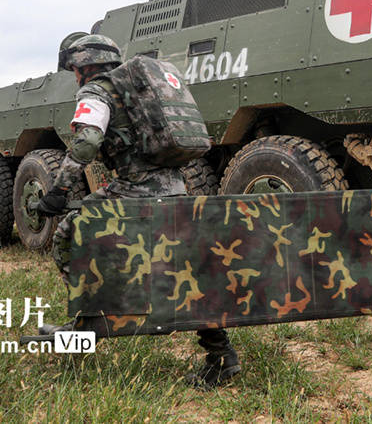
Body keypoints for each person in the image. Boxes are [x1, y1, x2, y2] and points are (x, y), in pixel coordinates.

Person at [32, 34, 240, 388]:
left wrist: (60, 189)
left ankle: (86, 327)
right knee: (183, 270)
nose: (76, 77)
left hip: (134, 190)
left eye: (75, 70)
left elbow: (87, 141)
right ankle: (222, 356)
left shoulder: (96, 91)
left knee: (70, 237)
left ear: (82, 67)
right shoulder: (139, 90)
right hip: (175, 187)